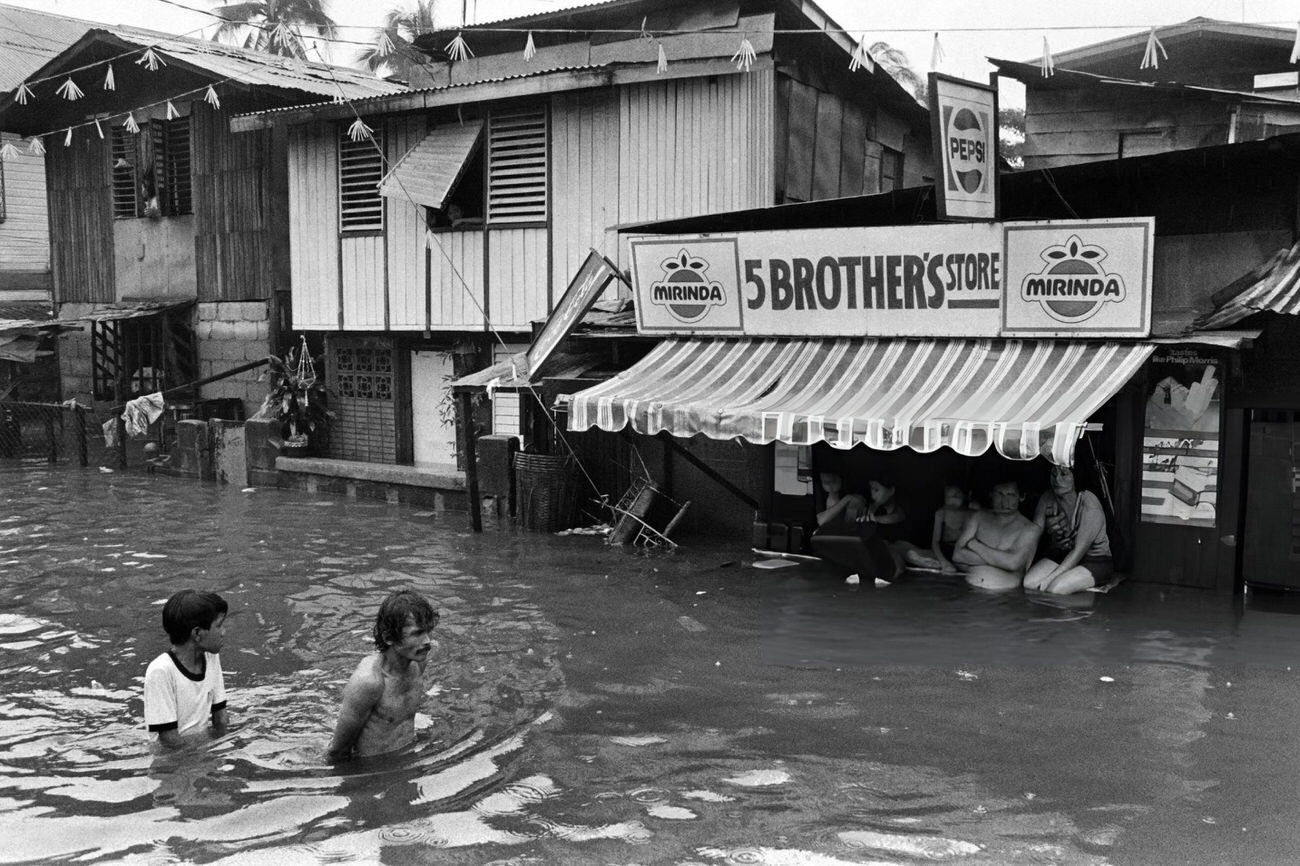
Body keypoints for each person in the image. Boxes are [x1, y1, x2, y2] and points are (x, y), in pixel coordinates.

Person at [328, 589, 439, 762]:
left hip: (406, 761)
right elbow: (337, 752)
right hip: (373, 771)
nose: (427, 642)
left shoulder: (418, 662)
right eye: (417, 633)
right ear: (389, 638)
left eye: (428, 631)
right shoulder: (369, 683)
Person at [143, 590, 230, 748]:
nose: (223, 632)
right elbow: (169, 739)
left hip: (199, 747)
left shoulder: (211, 657)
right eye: (219, 626)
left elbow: (221, 718)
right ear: (197, 633)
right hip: (172, 758)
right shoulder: (161, 671)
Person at [1023, 465, 1115, 595]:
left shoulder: (1089, 504)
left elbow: (1078, 551)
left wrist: (1050, 578)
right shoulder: (1047, 497)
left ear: (1075, 476)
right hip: (1063, 554)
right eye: (1053, 474)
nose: (1057, 480)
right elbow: (1033, 535)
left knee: (1054, 589)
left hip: (1095, 560)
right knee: (1029, 584)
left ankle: (1083, 604)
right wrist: (1024, 567)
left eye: (1064, 474)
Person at [952, 480, 1042, 590]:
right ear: (991, 495)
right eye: (999, 494)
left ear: (1021, 497)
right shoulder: (978, 517)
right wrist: (1000, 562)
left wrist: (974, 544)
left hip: (1006, 597)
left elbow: (1012, 563)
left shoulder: (1030, 529)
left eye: (1011, 495)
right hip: (968, 589)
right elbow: (957, 555)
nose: (1004, 502)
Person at [904, 485, 974, 574]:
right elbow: (935, 542)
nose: (952, 500)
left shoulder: (970, 513)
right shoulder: (941, 513)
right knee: (912, 554)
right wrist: (943, 561)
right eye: (949, 497)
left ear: (964, 496)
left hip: (962, 551)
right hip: (944, 550)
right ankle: (941, 563)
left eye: (956, 496)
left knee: (969, 566)